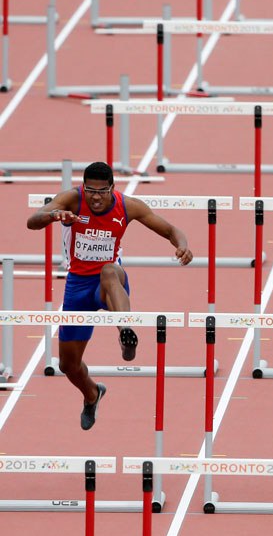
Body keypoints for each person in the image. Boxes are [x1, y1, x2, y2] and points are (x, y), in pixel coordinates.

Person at [25, 162, 193, 430]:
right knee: (68, 365)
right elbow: (32, 221)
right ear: (83, 187)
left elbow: (171, 230)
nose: (95, 197)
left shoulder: (128, 206)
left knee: (109, 270)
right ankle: (92, 394)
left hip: (109, 283)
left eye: (102, 192)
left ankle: (125, 330)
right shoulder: (72, 199)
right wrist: (55, 215)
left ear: (113, 189)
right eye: (90, 190)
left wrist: (182, 246)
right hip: (77, 285)